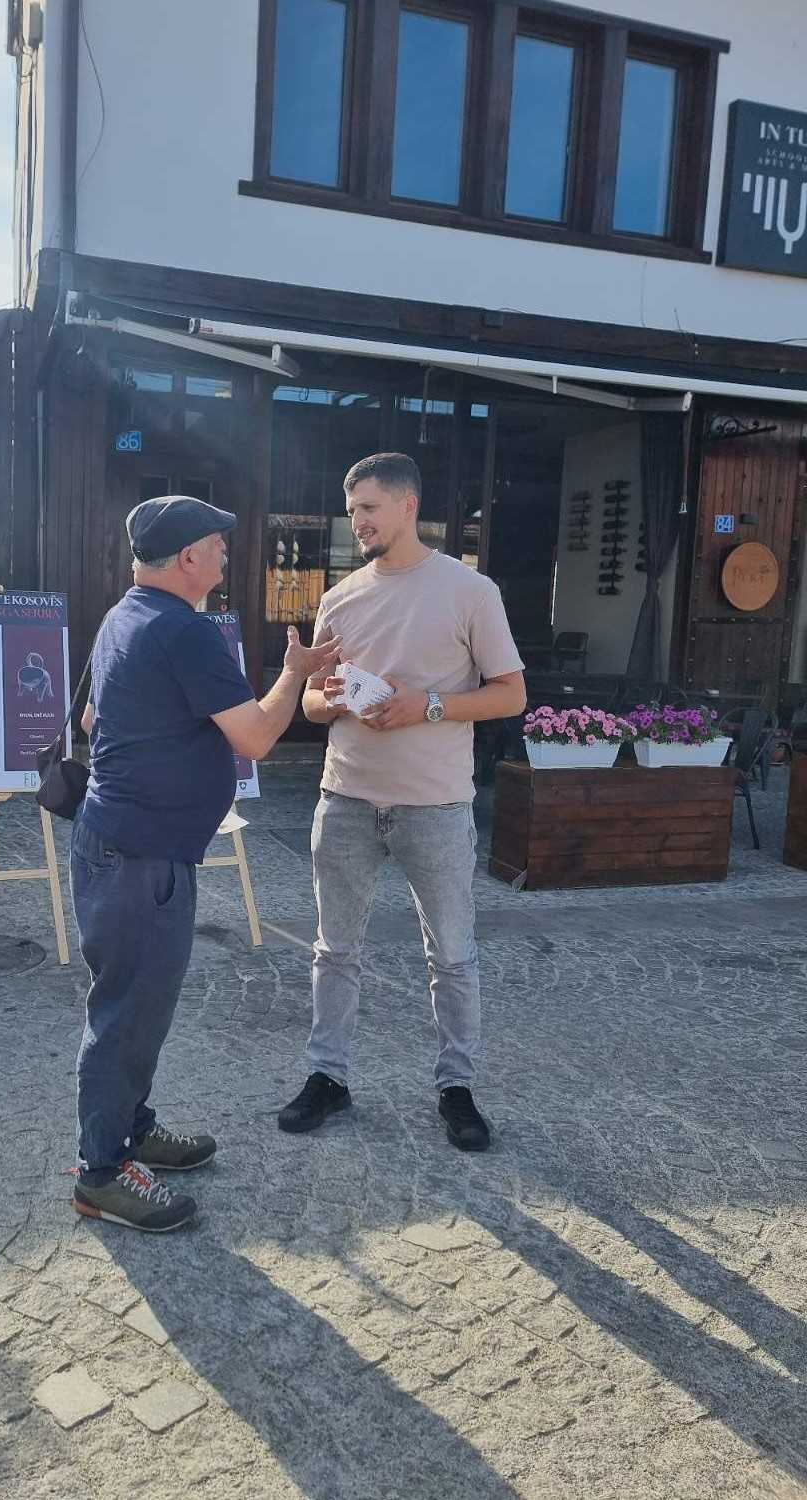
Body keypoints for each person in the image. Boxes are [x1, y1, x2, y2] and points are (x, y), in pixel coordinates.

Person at [72, 495, 342, 1232]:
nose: (227, 554)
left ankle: (131, 1130)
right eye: (219, 544)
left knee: (137, 1006)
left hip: (119, 842)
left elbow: (92, 720)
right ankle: (101, 1172)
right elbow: (255, 737)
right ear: (189, 557)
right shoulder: (185, 631)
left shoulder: (124, 614)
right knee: (126, 1012)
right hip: (142, 855)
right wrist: (295, 673)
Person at [278, 453, 525, 1151]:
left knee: (452, 955)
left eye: (368, 508)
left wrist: (428, 706)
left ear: (408, 506)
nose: (357, 522)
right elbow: (312, 702)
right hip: (345, 798)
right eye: (351, 510)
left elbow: (511, 694)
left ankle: (457, 1088)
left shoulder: (470, 591)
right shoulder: (340, 597)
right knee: (334, 950)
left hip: (436, 806)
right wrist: (331, 698)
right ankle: (327, 1076)